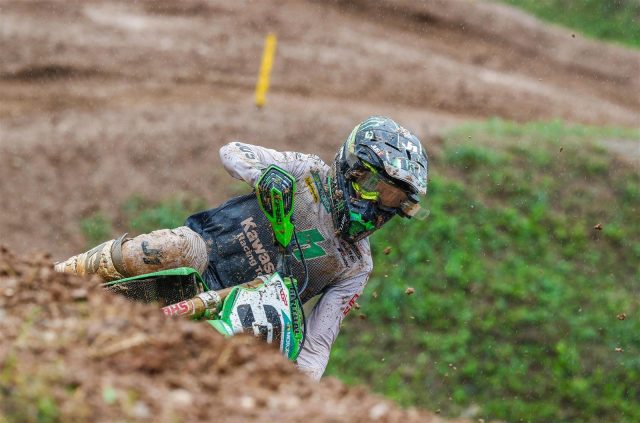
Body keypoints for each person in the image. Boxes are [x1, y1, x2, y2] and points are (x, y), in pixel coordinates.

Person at [55, 116, 428, 380]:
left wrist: (301, 397)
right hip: (207, 250)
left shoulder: (356, 266)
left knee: (260, 344)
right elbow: (232, 151)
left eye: (393, 199)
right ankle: (54, 277)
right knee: (167, 247)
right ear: (352, 168)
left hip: (247, 307)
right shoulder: (308, 172)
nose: (380, 205)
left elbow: (317, 345)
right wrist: (261, 175)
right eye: (376, 188)